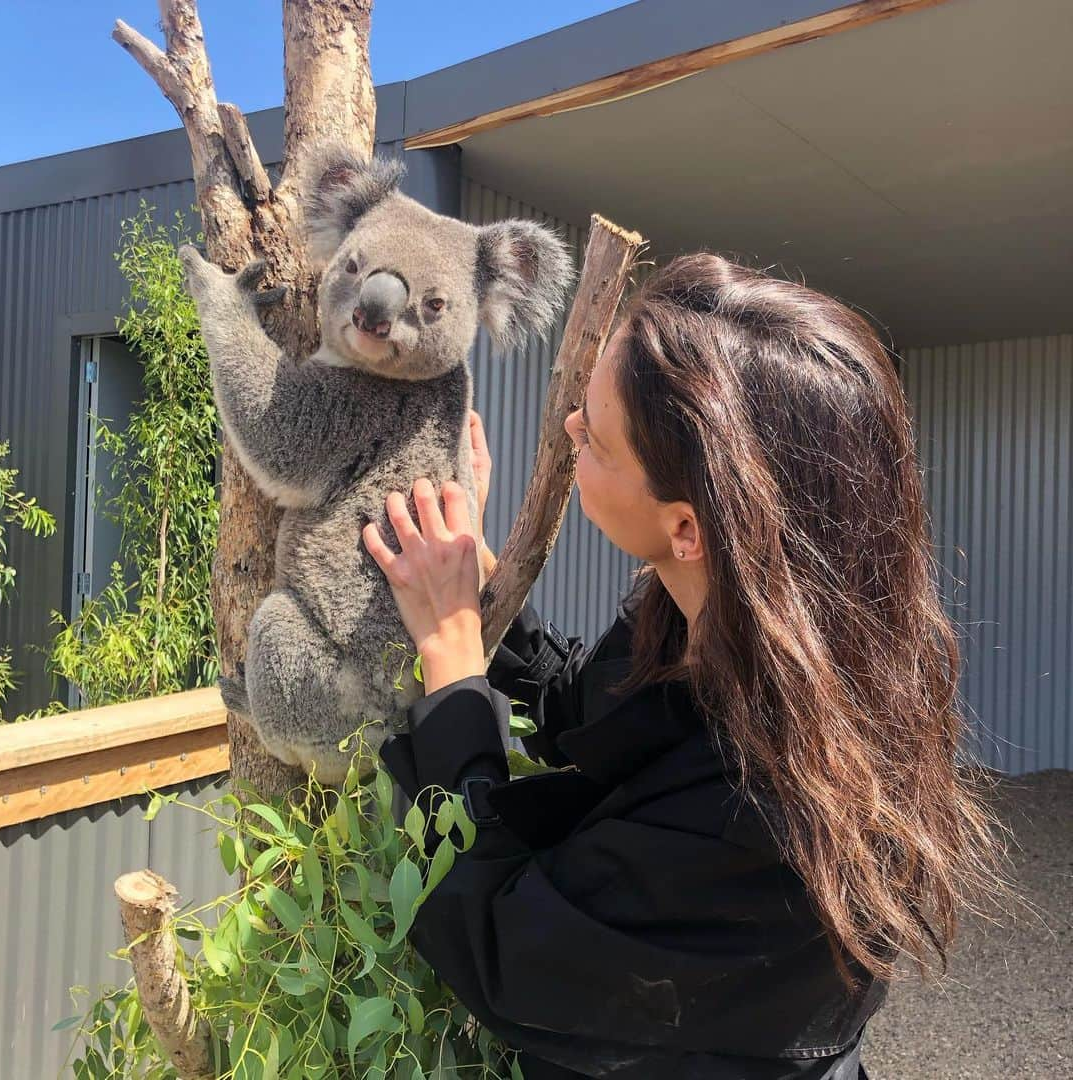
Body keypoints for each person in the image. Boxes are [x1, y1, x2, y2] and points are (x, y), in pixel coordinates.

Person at [362, 254, 1004, 1079]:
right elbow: (590, 713)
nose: (569, 433)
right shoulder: (743, 625)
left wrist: (451, 659)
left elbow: (502, 952)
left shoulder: (768, 808)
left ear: (689, 528)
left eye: (594, 435)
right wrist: (485, 585)